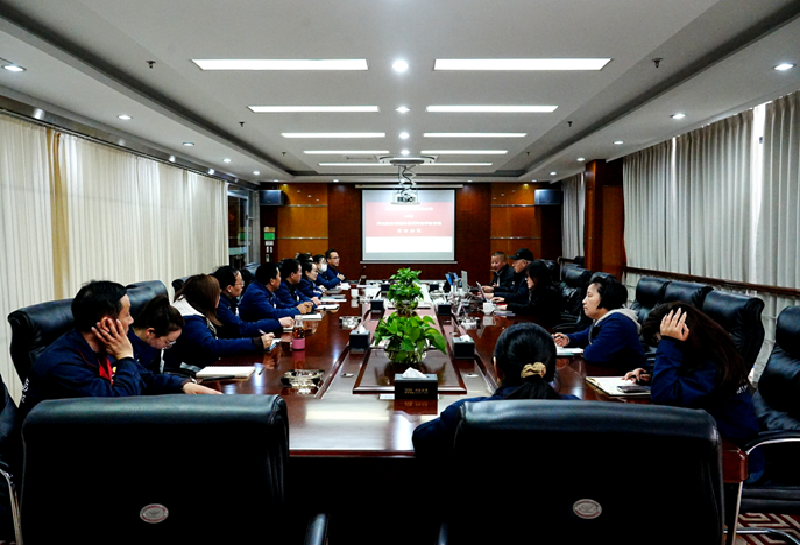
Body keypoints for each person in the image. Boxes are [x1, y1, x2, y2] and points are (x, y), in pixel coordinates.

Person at [19, 281, 218, 416]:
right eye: (127, 314)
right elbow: (118, 407)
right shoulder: (63, 364)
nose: (131, 321)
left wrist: (182, 386)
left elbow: (142, 378)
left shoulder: (104, 347)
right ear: (108, 323)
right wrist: (126, 357)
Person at [623, 303, 763, 478]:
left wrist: (669, 344)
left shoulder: (712, 363)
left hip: (734, 459)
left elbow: (664, 398)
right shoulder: (707, 353)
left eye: (663, 341)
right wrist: (652, 378)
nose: (663, 347)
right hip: (707, 445)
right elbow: (687, 385)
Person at [412, 323, 578, 458]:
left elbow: (421, 439)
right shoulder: (577, 412)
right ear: (550, 369)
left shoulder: (465, 414)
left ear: (497, 368)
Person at [164, 274, 274, 370]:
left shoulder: (193, 309)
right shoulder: (190, 319)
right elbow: (211, 346)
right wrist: (254, 343)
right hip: (186, 373)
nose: (219, 299)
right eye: (217, 295)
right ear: (207, 297)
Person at [553, 276, 645, 370]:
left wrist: (584, 351)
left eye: (589, 296)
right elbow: (585, 335)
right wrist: (568, 339)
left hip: (626, 376)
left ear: (605, 298)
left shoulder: (618, 322)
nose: (583, 301)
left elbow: (594, 355)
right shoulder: (606, 319)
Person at [212, 265, 290, 338]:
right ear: (229, 288)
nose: (242, 286)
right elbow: (242, 328)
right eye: (240, 283)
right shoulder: (220, 305)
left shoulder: (231, 300)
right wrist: (277, 323)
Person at [128, 294, 184, 374]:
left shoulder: (151, 344)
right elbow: (144, 376)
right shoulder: (126, 348)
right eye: (166, 342)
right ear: (151, 332)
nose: (167, 346)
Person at [239, 262, 312, 321]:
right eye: (279, 276)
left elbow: (280, 305)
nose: (281, 279)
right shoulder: (256, 293)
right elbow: (271, 313)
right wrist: (297, 311)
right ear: (272, 281)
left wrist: (299, 306)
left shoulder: (266, 290)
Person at [503, 260, 561, 328]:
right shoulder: (538, 289)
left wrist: (507, 306)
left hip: (546, 328)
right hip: (535, 324)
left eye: (528, 276)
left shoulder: (548, 292)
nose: (526, 280)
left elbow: (530, 309)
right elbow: (527, 303)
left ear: (536, 277)